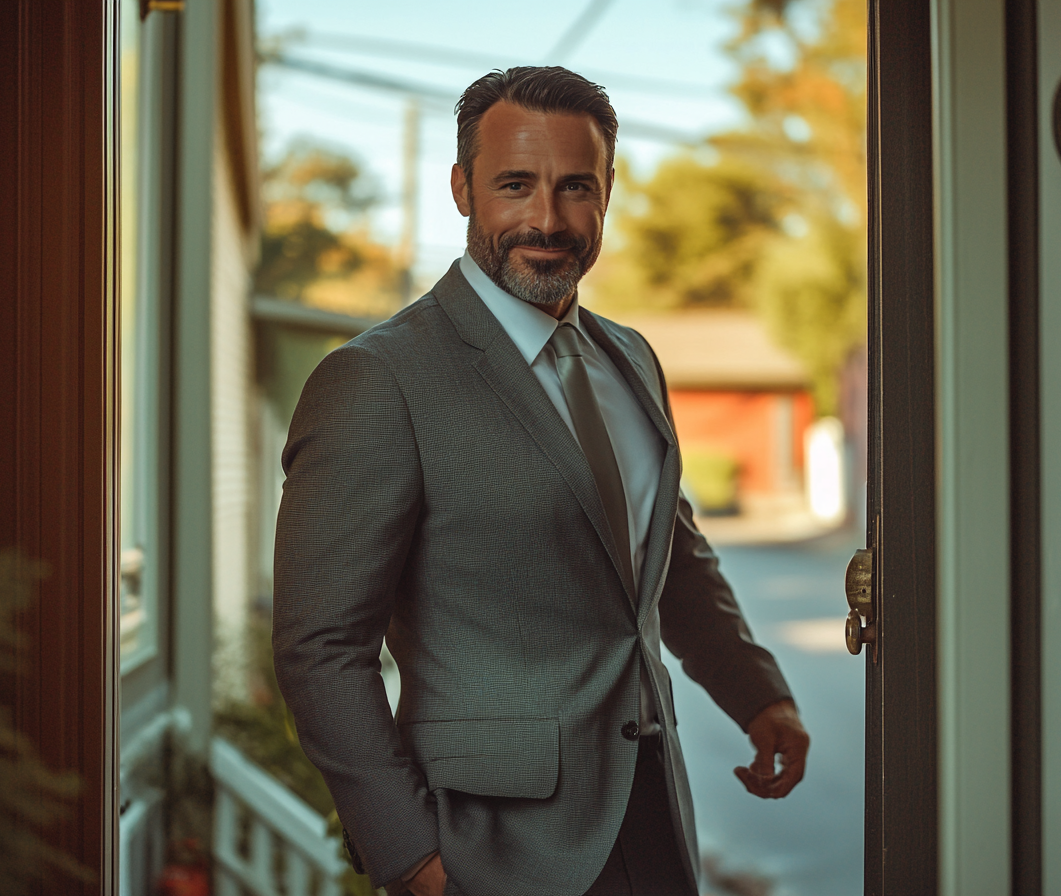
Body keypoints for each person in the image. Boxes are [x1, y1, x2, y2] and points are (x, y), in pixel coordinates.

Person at [272, 66, 809, 896]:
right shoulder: (378, 380)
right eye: (515, 185)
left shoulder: (631, 357)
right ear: (462, 188)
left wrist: (756, 694)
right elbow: (320, 649)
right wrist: (411, 857)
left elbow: (667, 555)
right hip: (491, 848)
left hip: (652, 815)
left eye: (575, 187)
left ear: (608, 193)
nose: (547, 219)